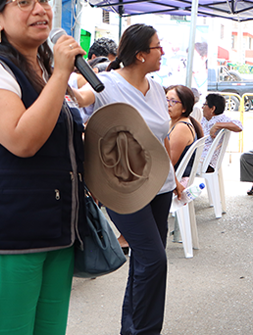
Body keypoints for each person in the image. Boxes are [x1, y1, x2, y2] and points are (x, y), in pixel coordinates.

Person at [0, 0, 85, 334]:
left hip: (56, 230)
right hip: (7, 235)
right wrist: (61, 75)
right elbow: (22, 140)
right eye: (24, 2)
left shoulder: (42, 70)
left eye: (44, 0)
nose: (40, 10)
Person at [74, 23, 183, 335]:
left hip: (159, 186)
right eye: (157, 47)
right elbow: (81, 99)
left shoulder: (158, 88)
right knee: (154, 260)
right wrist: (64, 76)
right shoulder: (105, 84)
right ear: (139, 54)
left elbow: (161, 138)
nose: (162, 52)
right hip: (121, 187)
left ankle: (132, 329)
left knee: (144, 263)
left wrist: (174, 180)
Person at [166, 85, 204, 183]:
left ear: (184, 108)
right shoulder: (173, 122)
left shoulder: (181, 127)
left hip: (175, 179)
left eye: (173, 101)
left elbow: (169, 162)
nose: (168, 104)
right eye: (166, 100)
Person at [200, 93, 242, 172]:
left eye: (205, 105)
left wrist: (218, 125)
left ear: (212, 108)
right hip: (199, 156)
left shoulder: (221, 119)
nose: (202, 107)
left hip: (206, 161)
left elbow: (239, 126)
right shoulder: (205, 119)